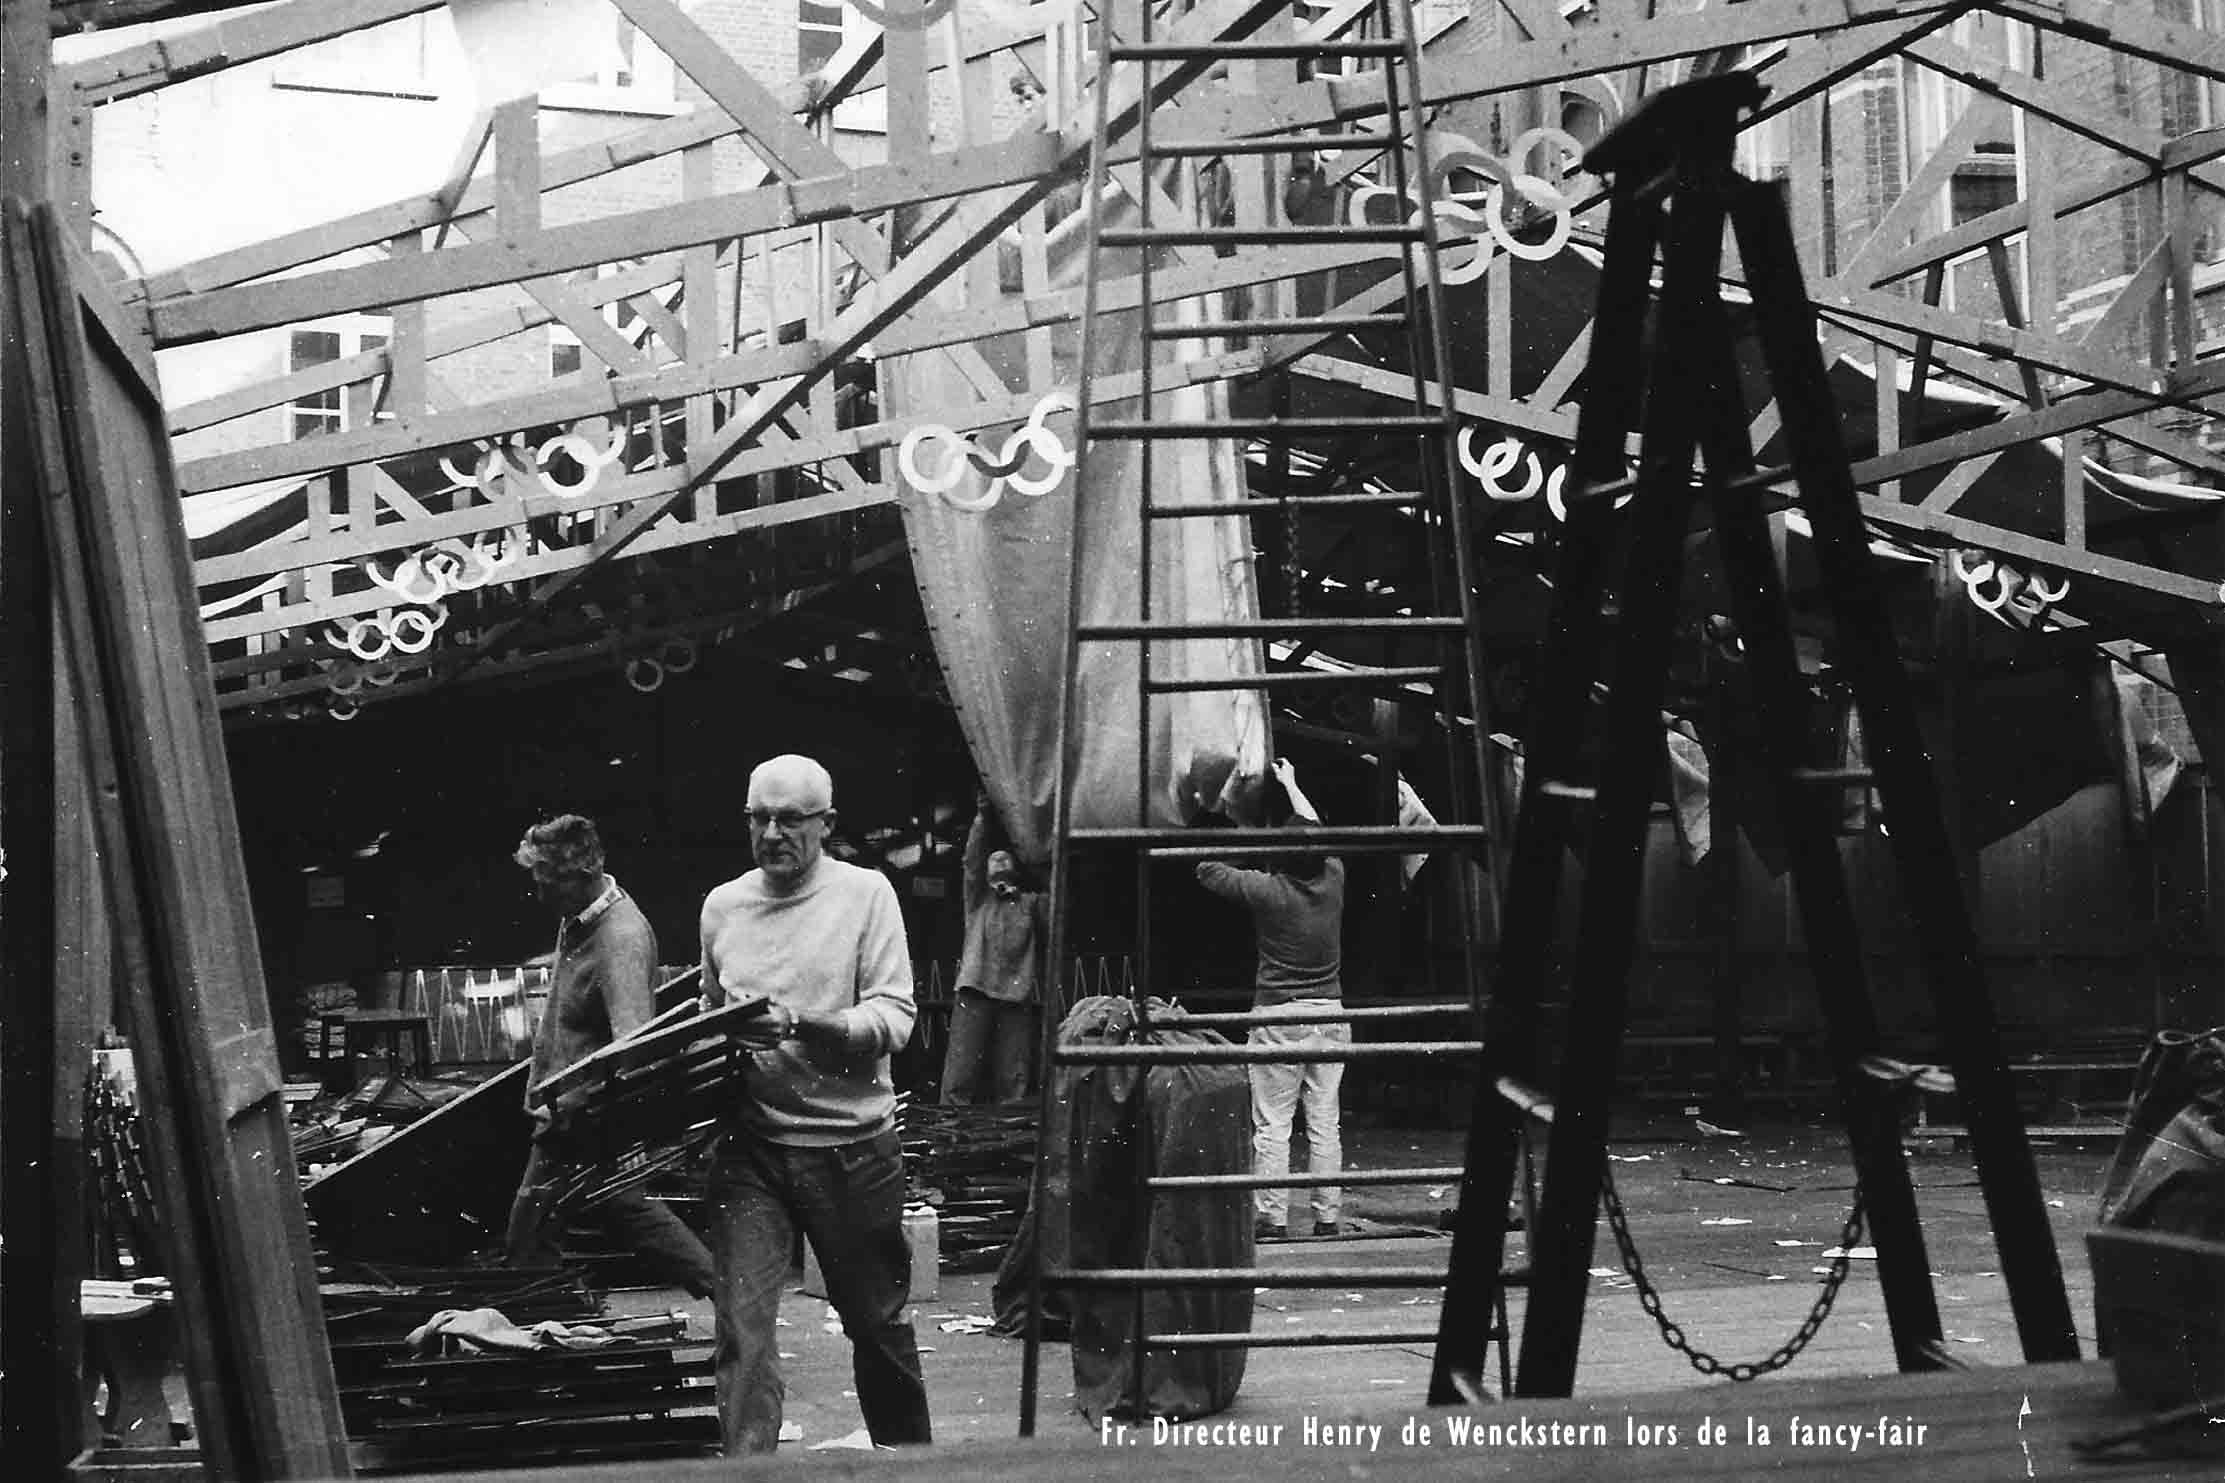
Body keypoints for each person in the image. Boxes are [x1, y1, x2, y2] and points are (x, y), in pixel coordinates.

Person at [698, 754, 931, 1456]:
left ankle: (912, 1467)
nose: (772, 833)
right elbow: (709, 1015)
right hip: (752, 1150)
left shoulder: (865, 895)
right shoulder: (722, 906)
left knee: (877, 1325)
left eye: (790, 819)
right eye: (758, 818)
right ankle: (748, 1472)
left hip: (851, 1148)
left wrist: (798, 1023)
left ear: (826, 823)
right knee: (742, 1333)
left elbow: (894, 1017)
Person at [504, 814, 716, 1297]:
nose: (538, 894)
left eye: (546, 883)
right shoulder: (578, 918)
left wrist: (612, 1123)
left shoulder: (619, 939)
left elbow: (635, 1048)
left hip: (584, 1119)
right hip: (565, 1111)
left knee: (534, 1234)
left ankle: (728, 1295)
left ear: (579, 875)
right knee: (604, 1213)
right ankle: (726, 1294)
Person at [1194, 759, 1349, 1241]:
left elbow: (1206, 870)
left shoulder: (1268, 891)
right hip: (1330, 1013)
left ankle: (1273, 1218)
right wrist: (1293, 784)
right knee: (1324, 1122)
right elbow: (1317, 832)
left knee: (1273, 1123)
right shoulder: (1335, 878)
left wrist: (1240, 827)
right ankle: (1327, 1218)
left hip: (1279, 1015)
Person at [940, 796, 1046, 1104]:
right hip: (975, 990)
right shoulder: (977, 900)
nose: (998, 861)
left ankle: (1010, 1130)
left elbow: (1057, 892)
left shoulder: (1031, 904)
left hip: (1015, 995)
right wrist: (983, 815)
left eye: (1005, 858)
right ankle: (950, 1129)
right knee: (960, 1075)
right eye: (993, 859)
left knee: (1014, 1077)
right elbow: (972, 859)